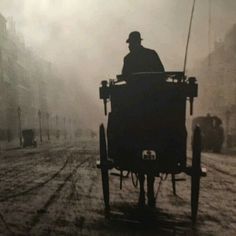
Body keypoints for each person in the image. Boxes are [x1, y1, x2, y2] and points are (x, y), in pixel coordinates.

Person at [121, 31, 165, 207]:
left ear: (133, 43)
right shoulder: (152, 54)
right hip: (155, 107)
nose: (130, 46)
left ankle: (142, 191)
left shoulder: (128, 59)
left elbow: (125, 78)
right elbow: (161, 74)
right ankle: (149, 189)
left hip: (134, 108)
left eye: (130, 43)